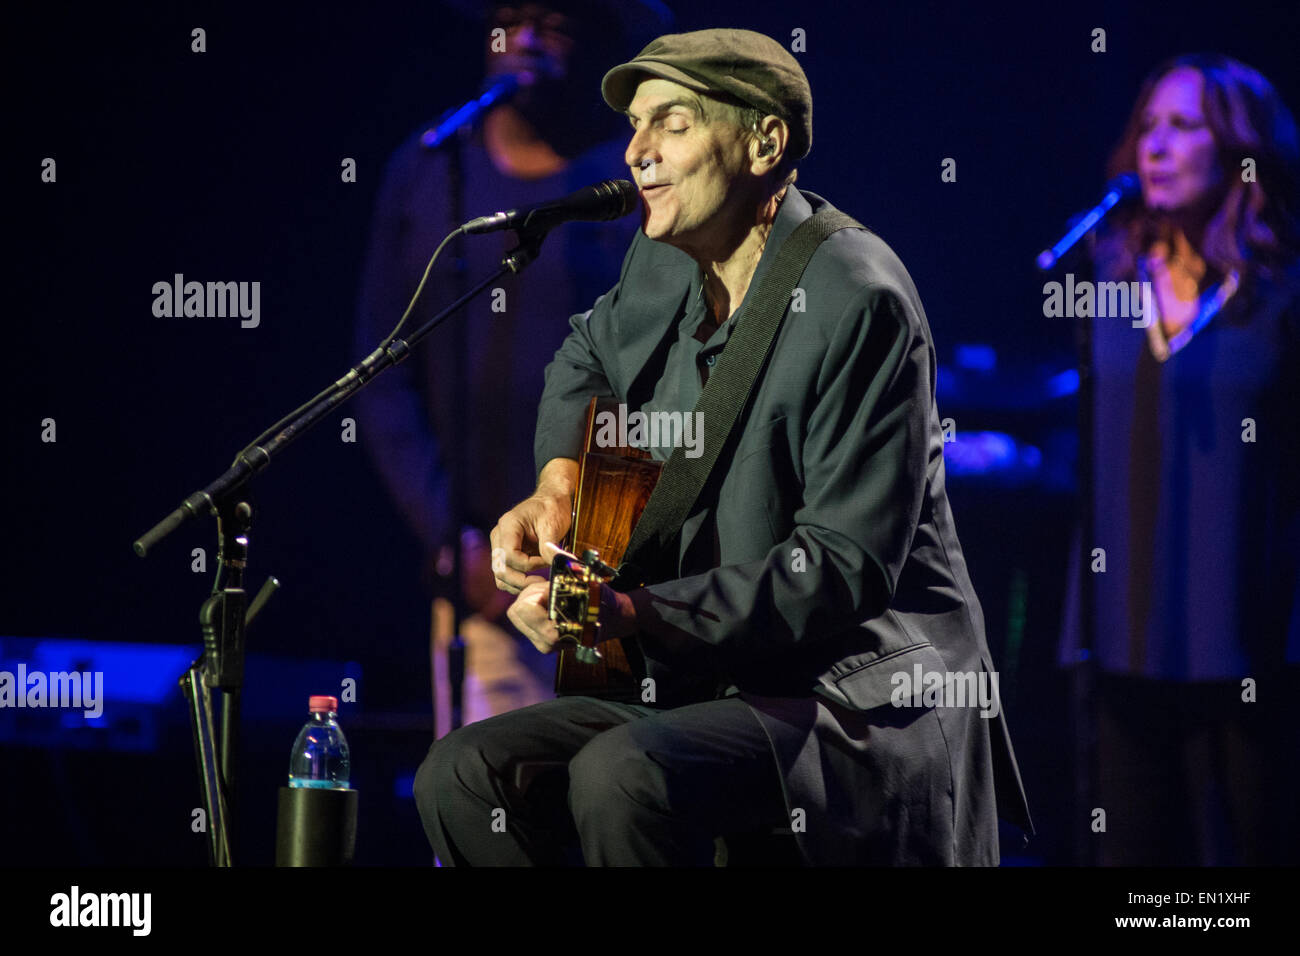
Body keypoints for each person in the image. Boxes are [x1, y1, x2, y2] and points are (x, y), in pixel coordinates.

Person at [414, 27, 1034, 865]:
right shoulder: (662, 261)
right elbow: (583, 355)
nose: (636, 152)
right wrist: (557, 486)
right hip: (705, 676)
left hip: (853, 692)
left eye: (669, 123)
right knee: (464, 767)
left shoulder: (858, 296)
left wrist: (639, 613)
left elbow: (846, 564)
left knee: (623, 773)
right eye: (634, 127)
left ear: (763, 142)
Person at [353, 0, 671, 720]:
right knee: (487, 812)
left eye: (555, 19)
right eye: (512, 16)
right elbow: (382, 373)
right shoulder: (433, 167)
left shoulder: (635, 178)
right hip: (481, 587)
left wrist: (608, 550)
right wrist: (450, 538)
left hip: (619, 575)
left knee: (615, 806)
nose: (527, 38)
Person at [1060, 54, 1300, 865]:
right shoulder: (1109, 283)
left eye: (1184, 126)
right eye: (1147, 128)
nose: (1155, 147)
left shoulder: (1281, 294)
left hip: (1252, 643)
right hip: (1126, 636)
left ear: (1240, 148)